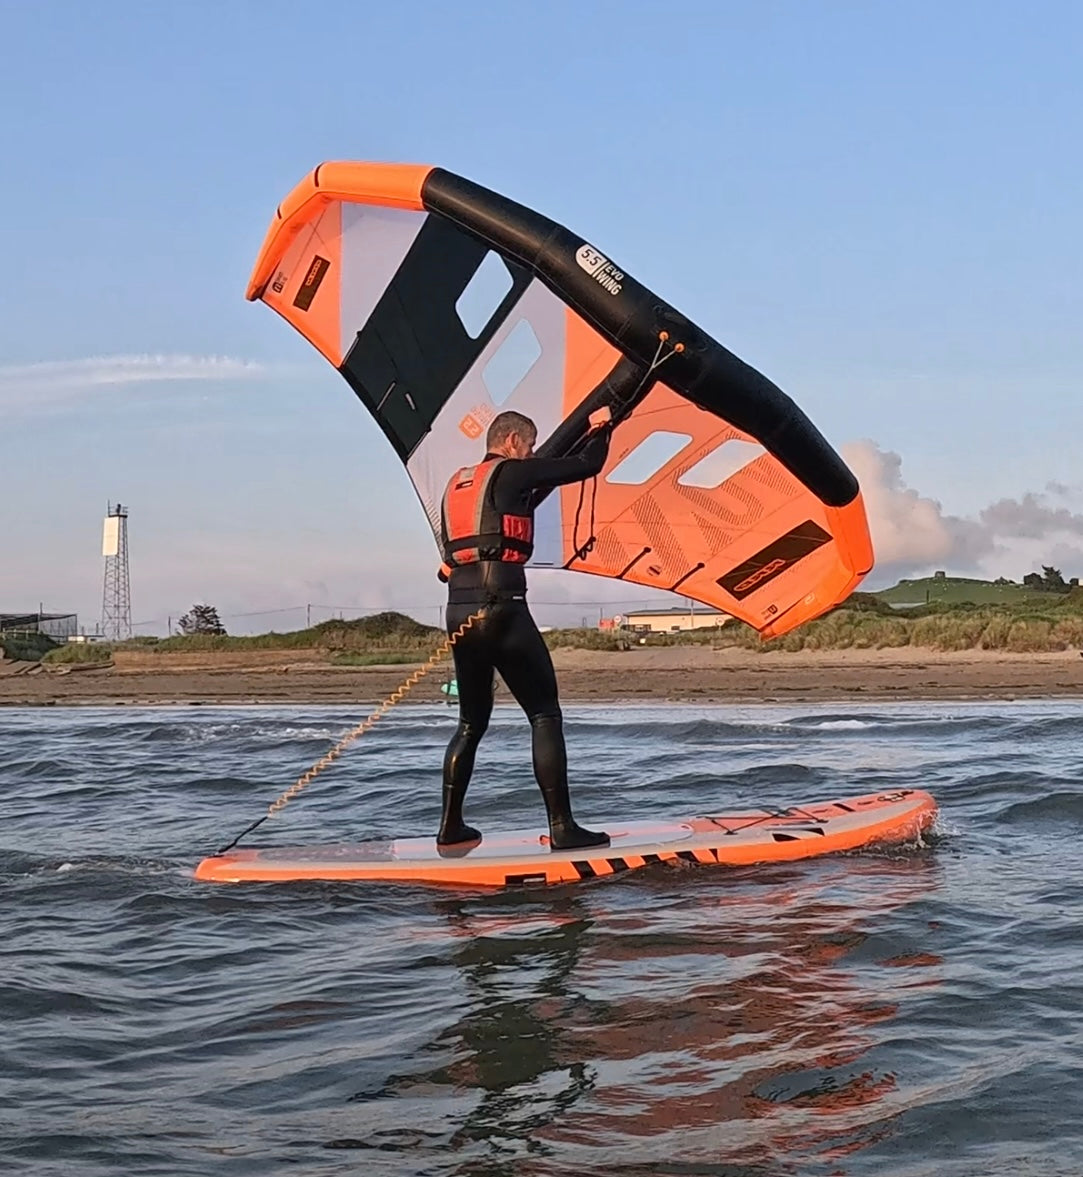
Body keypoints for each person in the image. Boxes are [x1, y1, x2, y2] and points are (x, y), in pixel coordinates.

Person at [436, 407, 613, 850]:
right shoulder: (512, 471)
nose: (532, 454)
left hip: (458, 611)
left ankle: (450, 827)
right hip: (502, 606)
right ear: (512, 441)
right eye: (530, 446)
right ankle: (562, 828)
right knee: (544, 714)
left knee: (470, 723)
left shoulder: (456, 486)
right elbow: (586, 464)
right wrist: (603, 427)